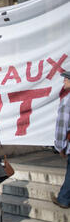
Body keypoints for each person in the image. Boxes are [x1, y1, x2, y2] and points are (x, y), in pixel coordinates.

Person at [51, 70, 70, 209]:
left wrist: (60, 146)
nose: (64, 81)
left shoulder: (67, 102)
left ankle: (63, 198)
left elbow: (62, 126)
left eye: (66, 79)